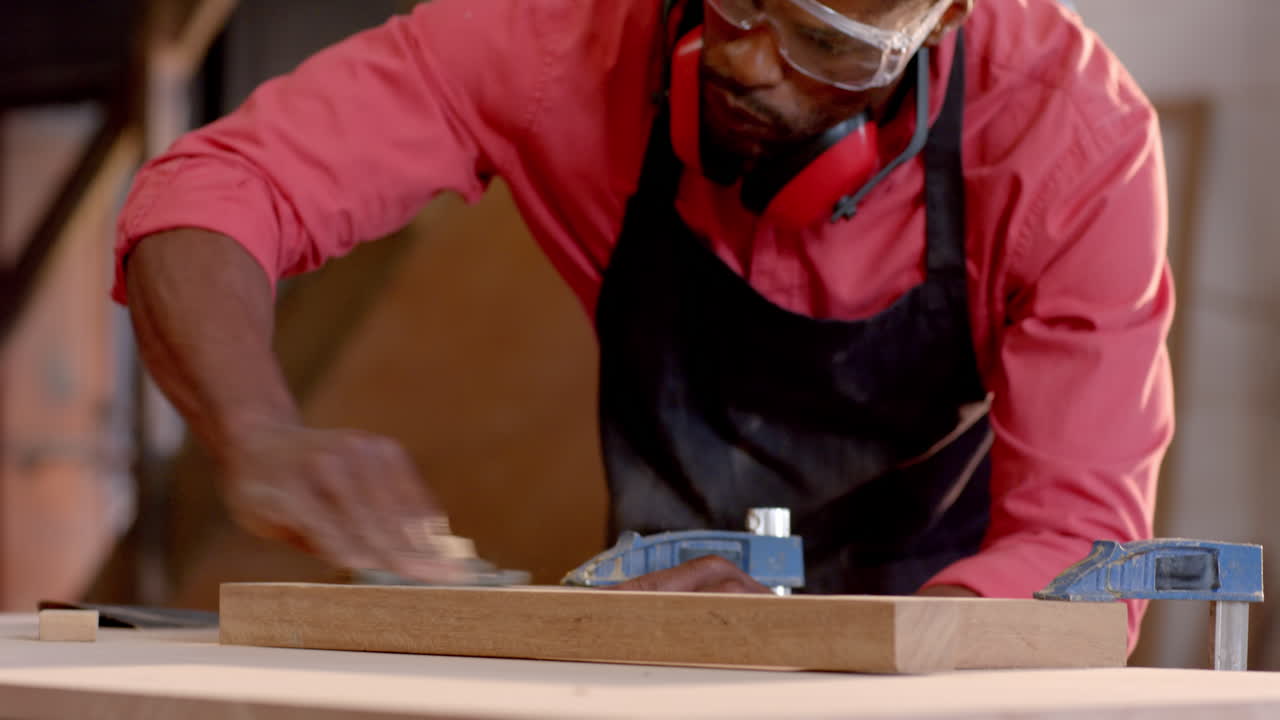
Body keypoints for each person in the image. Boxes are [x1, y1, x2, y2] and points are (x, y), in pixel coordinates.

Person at [115, 0, 1171, 647]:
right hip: (655, 641)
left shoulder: (1073, 141)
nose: (746, 60)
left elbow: (1081, 561)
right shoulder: (560, 37)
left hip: (940, 654)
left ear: (939, 20)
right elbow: (216, 191)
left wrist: (839, 649)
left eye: (820, 41)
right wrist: (255, 429)